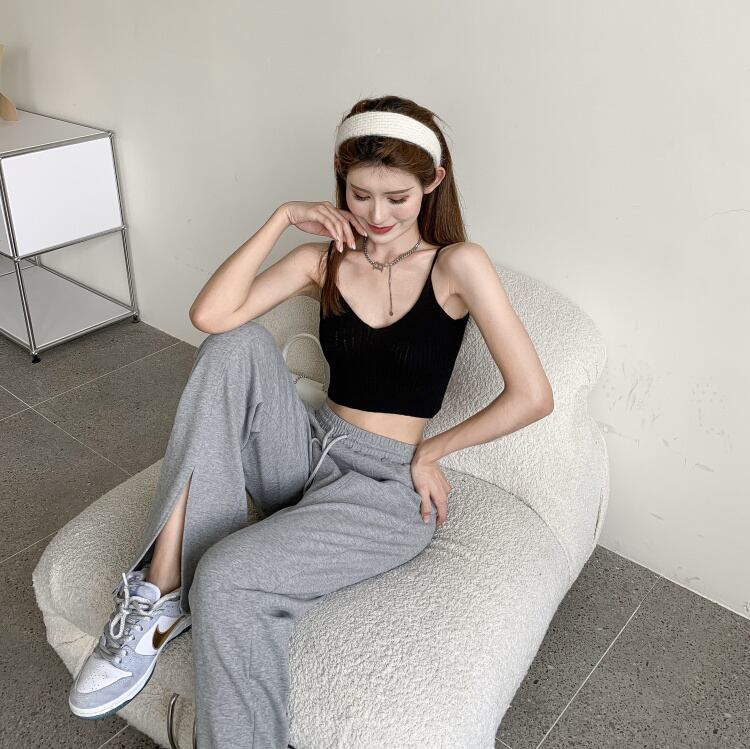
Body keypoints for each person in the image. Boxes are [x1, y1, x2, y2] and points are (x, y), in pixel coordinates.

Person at [68, 94, 554, 748]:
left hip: (385, 490)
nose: (377, 216)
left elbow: (532, 394)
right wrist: (281, 219)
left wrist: (432, 452)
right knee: (235, 344)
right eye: (360, 195)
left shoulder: (458, 265)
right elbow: (211, 316)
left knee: (229, 577)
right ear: (339, 182)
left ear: (433, 183)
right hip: (310, 449)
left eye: (397, 198)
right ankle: (159, 588)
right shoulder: (322, 262)